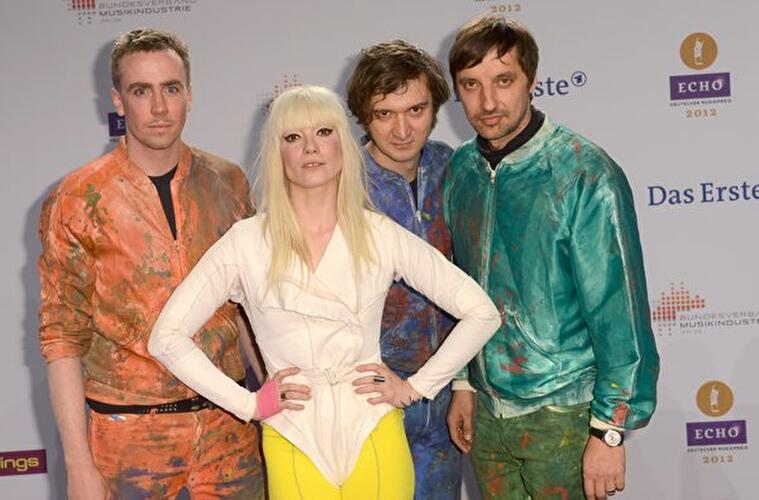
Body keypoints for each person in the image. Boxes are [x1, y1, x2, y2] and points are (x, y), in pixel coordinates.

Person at [148, 85, 501, 500]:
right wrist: (248, 405)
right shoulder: (245, 243)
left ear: (343, 145)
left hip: (373, 429)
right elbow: (166, 337)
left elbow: (481, 312)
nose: (311, 148)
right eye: (293, 137)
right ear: (277, 153)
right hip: (293, 434)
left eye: (324, 132)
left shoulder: (378, 234)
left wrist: (414, 388)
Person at [38, 28, 263, 498]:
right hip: (129, 444)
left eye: (171, 89)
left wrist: (271, 399)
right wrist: (78, 465)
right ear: (118, 101)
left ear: (189, 95)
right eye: (142, 91)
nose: (159, 107)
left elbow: (249, 309)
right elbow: (61, 339)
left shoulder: (228, 183)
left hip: (230, 437)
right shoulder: (77, 198)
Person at [444, 15, 660, 500]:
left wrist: (609, 430)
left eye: (504, 81)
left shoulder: (584, 172)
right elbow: (458, 283)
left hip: (565, 414)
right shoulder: (462, 170)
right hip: (487, 418)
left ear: (532, 80)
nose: (488, 102)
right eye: (471, 85)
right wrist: (463, 382)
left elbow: (619, 312)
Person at [345, 40, 462, 499]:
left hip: (444, 396)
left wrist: (465, 385)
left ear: (435, 107)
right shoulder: (339, 182)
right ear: (363, 115)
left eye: (415, 110)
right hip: (368, 399)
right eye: (384, 114)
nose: (401, 129)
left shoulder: (455, 169)